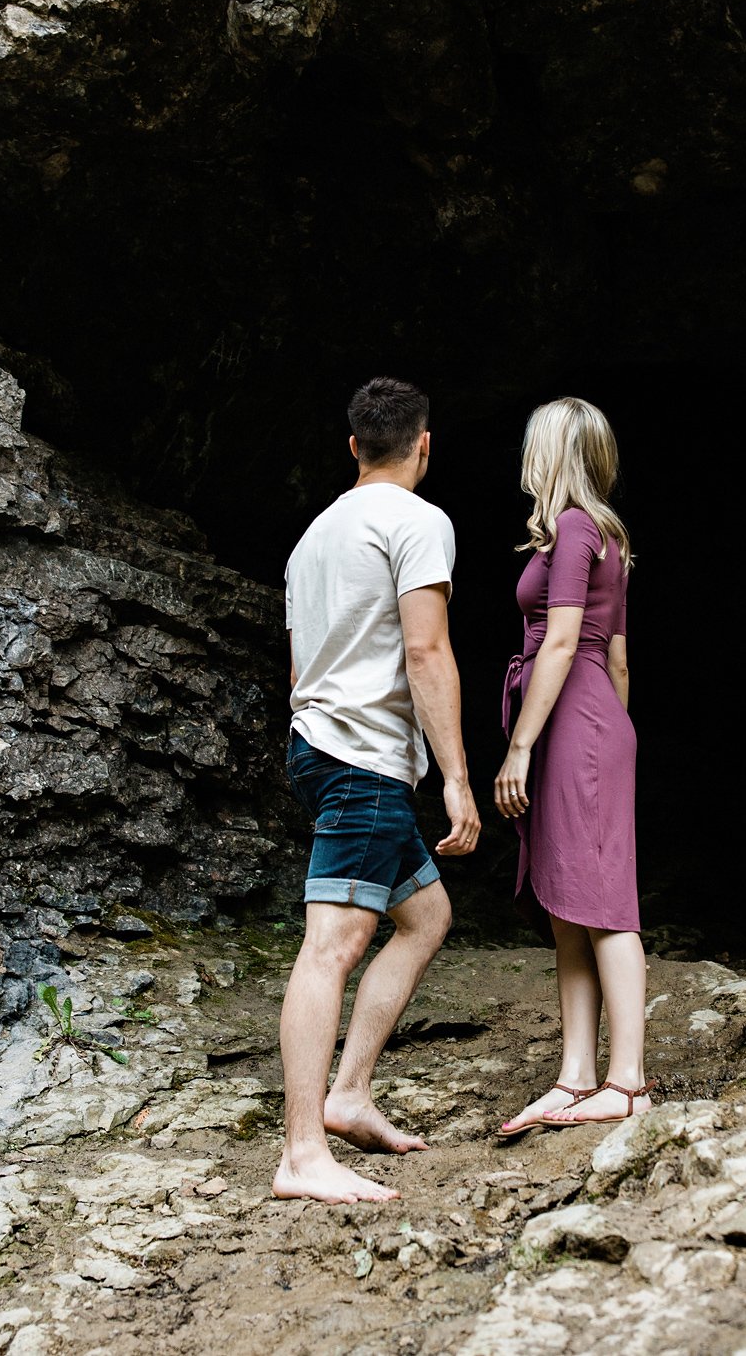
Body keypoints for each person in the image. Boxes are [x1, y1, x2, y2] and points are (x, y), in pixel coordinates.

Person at [274, 375, 482, 1203]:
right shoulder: (418, 520)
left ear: (353, 446)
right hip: (365, 762)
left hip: (316, 747)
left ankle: (348, 1093)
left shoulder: (311, 538)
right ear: (423, 445)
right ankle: (300, 1153)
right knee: (332, 945)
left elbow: (299, 669)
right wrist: (459, 778)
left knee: (426, 917)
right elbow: (428, 653)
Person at [493, 396, 652, 1137]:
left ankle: (626, 1082)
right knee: (569, 909)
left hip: (573, 721)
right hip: (591, 719)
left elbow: (562, 644)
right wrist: (609, 731)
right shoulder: (604, 533)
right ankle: (577, 1075)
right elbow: (617, 658)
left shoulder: (575, 527)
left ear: (549, 454)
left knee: (603, 905)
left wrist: (525, 744)